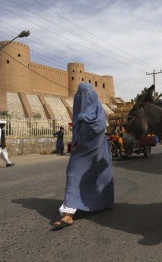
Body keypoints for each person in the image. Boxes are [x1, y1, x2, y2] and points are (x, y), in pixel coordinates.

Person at [51, 83, 114, 231]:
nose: (82, 98)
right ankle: (68, 213)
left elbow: (99, 127)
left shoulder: (98, 111)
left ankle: (101, 203)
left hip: (98, 151)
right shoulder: (79, 113)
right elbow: (77, 133)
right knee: (73, 174)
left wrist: (83, 119)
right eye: (79, 94)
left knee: (100, 178)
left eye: (84, 94)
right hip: (81, 152)